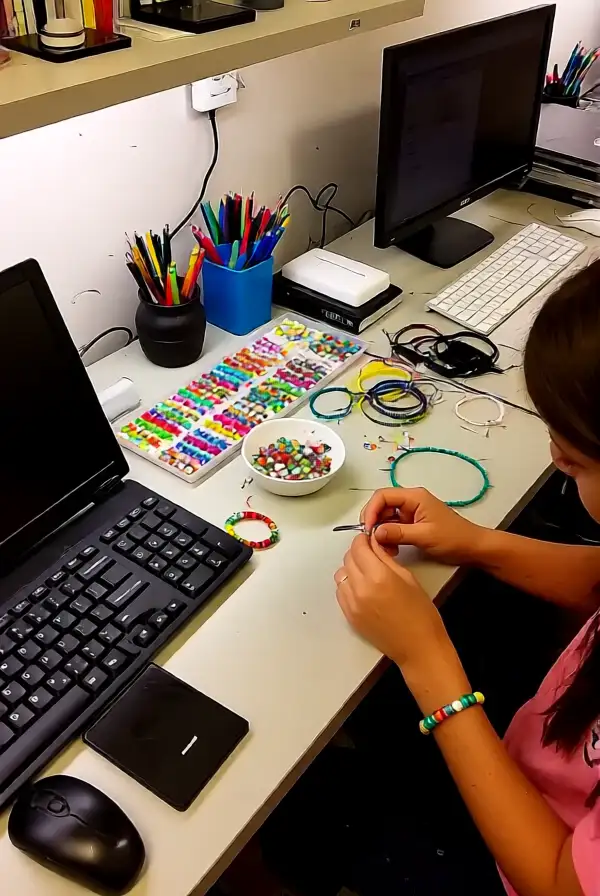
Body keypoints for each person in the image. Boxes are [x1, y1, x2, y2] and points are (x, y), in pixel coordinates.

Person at [334, 259, 600, 896]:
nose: (555, 459)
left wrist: (427, 659)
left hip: (534, 858)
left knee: (307, 819)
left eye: (578, 456)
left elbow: (561, 885)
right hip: (543, 747)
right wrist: (475, 542)